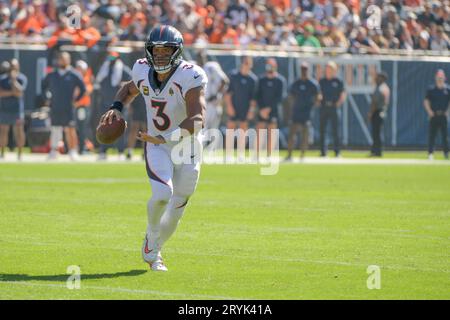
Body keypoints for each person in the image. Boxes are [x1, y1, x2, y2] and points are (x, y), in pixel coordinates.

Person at [100, 25, 207, 271]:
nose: (160, 55)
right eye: (155, 50)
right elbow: (128, 89)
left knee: (179, 202)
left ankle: (154, 247)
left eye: (166, 50)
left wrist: (168, 138)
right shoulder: (141, 69)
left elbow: (198, 119)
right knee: (162, 195)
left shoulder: (190, 75)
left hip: (187, 144)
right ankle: (152, 236)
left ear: (177, 52)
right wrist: (116, 106)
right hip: (155, 143)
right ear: (148, 51)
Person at [42, 52, 86, 160]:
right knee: (55, 129)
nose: (63, 61)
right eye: (61, 59)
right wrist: (47, 99)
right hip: (55, 106)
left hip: (68, 107)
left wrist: (76, 100)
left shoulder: (74, 74)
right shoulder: (52, 74)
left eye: (65, 59)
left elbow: (83, 89)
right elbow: (43, 87)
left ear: (69, 60)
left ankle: (72, 151)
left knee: (70, 129)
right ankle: (54, 151)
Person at [95, 51, 132, 160]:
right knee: (104, 127)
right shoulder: (104, 69)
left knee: (119, 127)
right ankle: (103, 151)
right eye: (110, 57)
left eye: (113, 58)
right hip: (105, 103)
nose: (111, 60)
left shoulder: (123, 69)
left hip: (119, 104)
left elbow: (132, 83)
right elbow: (98, 82)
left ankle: (120, 151)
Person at [285, 62, 320, 160]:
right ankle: (289, 154)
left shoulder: (312, 84)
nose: (304, 72)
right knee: (292, 134)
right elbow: (290, 96)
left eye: (305, 69)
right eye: (302, 70)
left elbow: (318, 96)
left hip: (307, 112)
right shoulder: (296, 83)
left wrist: (312, 104)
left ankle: (302, 155)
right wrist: (293, 105)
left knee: (305, 135)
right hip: (296, 111)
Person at [224, 56, 257, 155]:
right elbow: (228, 94)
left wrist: (251, 111)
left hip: (245, 108)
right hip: (234, 107)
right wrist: (229, 107)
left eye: (249, 63)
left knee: (243, 130)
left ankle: (241, 153)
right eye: (246, 63)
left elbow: (253, 98)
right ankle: (228, 153)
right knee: (230, 128)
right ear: (242, 63)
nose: (247, 65)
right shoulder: (234, 76)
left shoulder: (253, 79)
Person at [196, 51, 229, 150]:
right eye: (199, 56)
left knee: (213, 129)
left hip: (212, 102)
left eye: (202, 56)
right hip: (202, 102)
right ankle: (202, 150)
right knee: (202, 128)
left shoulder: (211, 67)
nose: (201, 58)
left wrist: (217, 95)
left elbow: (224, 81)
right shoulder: (195, 68)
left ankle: (212, 150)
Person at [256, 58, 286, 158]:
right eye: (268, 65)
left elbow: (279, 98)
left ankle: (269, 155)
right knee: (260, 131)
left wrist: (268, 109)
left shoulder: (280, 80)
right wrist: (262, 109)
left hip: (273, 110)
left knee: (272, 132)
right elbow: (258, 95)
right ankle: (257, 154)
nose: (270, 67)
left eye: (272, 65)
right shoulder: (261, 80)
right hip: (262, 110)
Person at [0, 59, 27, 160]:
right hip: (4, 109)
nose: (13, 68)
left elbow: (20, 93)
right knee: (3, 131)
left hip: (17, 111)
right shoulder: (2, 79)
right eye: (11, 66)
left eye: (15, 66)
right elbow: (1, 93)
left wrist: (14, 81)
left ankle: (20, 154)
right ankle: (2, 153)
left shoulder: (22, 78)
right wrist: (12, 93)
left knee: (19, 132)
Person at [318, 61, 346, 157]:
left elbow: (343, 94)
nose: (328, 70)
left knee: (336, 131)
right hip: (324, 107)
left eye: (330, 68)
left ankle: (337, 152)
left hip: (334, 107)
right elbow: (319, 93)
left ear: (334, 70)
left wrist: (338, 103)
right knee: (322, 130)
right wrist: (319, 99)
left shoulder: (338, 81)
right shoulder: (322, 81)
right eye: (327, 68)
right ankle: (323, 152)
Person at [423, 69, 450, 160]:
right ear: (435, 78)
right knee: (432, 135)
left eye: (441, 77)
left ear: (444, 78)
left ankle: (446, 153)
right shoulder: (431, 89)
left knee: (445, 135)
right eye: (438, 77)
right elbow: (426, 101)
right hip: (434, 115)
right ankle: (430, 153)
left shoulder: (447, 89)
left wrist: (447, 112)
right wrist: (429, 111)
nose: (440, 79)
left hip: (443, 115)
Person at [368, 72, 390, 157]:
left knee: (376, 133)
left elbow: (375, 102)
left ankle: (377, 151)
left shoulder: (381, 87)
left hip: (378, 111)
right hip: (381, 111)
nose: (376, 79)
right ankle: (375, 151)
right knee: (376, 133)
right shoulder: (384, 87)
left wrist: (370, 113)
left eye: (378, 77)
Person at [74, 60, 93, 155]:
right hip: (74, 107)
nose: (79, 70)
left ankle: (82, 148)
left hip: (82, 107)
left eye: (80, 68)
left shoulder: (86, 79)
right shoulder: (73, 78)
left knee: (82, 128)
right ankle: (72, 148)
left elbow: (86, 91)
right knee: (73, 128)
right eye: (77, 68)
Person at [125, 95, 147, 160]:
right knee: (134, 128)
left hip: (145, 104)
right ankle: (129, 151)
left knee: (145, 129)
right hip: (136, 103)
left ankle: (145, 152)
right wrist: (130, 104)